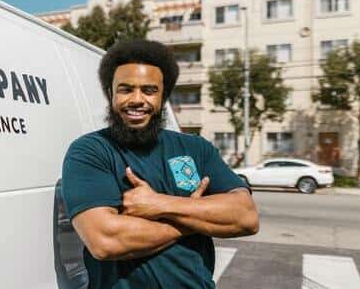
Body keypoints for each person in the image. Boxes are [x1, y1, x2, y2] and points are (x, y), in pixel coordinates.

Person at [61, 40, 259, 289]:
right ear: (110, 94)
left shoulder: (196, 148)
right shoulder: (90, 151)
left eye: (149, 90)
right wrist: (193, 215)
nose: (137, 100)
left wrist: (159, 204)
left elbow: (246, 216)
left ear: (163, 96)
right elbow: (105, 240)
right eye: (125, 89)